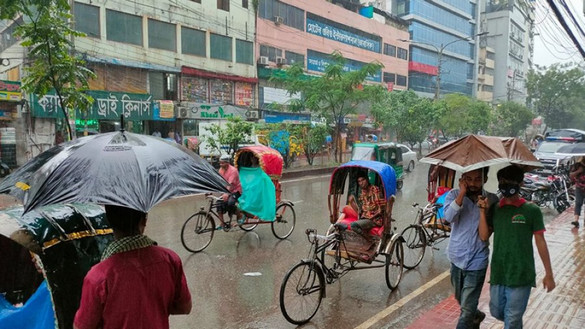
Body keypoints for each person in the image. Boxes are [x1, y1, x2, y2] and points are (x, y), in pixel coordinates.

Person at [74, 205, 192, 329]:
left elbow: (82, 326)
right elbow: (184, 307)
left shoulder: (98, 277)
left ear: (109, 221)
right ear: (144, 220)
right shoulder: (170, 259)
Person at [478, 165, 555, 329]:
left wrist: (549, 274)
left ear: (520, 183)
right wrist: (482, 212)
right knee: (498, 311)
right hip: (499, 272)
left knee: (512, 319)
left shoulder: (531, 210)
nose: (506, 186)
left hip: (521, 274)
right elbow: (484, 236)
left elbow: (540, 241)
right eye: (503, 182)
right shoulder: (496, 209)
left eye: (511, 182)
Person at [443, 168, 498, 329]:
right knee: (462, 301)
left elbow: (485, 235)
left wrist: (483, 211)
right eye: (469, 179)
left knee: (466, 310)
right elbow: (448, 218)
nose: (473, 183)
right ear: (462, 179)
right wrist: (461, 194)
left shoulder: (492, 200)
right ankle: (476, 315)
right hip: (456, 257)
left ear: (485, 179)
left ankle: (471, 315)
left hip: (477, 261)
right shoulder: (453, 195)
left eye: (477, 179)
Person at [217, 155, 242, 225]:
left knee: (230, 203)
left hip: (235, 190)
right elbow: (219, 181)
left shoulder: (233, 170)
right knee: (218, 203)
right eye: (220, 163)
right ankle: (222, 223)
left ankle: (240, 215)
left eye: (223, 163)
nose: (221, 165)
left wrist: (226, 193)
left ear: (227, 163)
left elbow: (229, 184)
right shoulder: (221, 170)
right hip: (226, 190)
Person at [569, 156, 585, 228]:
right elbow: (571, 175)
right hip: (579, 188)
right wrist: (579, 171)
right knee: (578, 203)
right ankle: (576, 220)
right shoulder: (577, 165)